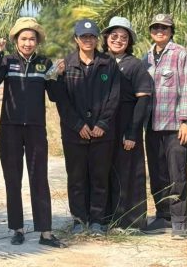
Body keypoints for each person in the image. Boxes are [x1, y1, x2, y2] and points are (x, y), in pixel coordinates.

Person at [0, 17, 66, 248]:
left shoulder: (44, 63)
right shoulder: (7, 60)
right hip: (9, 128)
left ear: (37, 41)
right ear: (16, 40)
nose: (28, 43)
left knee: (39, 178)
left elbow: (54, 95)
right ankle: (17, 229)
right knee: (12, 178)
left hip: (36, 128)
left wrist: (57, 75)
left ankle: (46, 233)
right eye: (23, 38)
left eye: (32, 39)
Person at [55, 18, 121, 235]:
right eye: (84, 37)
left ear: (97, 39)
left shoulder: (108, 63)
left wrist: (103, 123)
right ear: (76, 39)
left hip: (102, 133)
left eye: (92, 36)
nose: (88, 40)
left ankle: (97, 221)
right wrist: (77, 125)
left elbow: (114, 96)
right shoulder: (66, 64)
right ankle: (78, 220)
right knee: (76, 178)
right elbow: (61, 100)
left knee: (99, 178)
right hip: (74, 134)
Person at [142, 14, 187, 240]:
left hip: (175, 127)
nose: (160, 31)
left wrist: (186, 121)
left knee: (177, 174)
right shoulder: (145, 57)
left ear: (171, 31)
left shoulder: (180, 54)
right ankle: (162, 216)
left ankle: (178, 221)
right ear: (150, 31)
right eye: (155, 27)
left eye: (164, 28)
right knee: (157, 174)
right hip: (151, 126)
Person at [102, 17, 152, 230]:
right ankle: (105, 219)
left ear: (129, 41)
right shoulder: (100, 61)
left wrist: (132, 132)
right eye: (114, 36)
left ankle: (130, 222)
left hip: (127, 126)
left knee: (128, 172)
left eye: (124, 37)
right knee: (105, 172)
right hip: (103, 127)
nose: (118, 40)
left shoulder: (135, 65)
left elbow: (143, 99)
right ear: (106, 38)